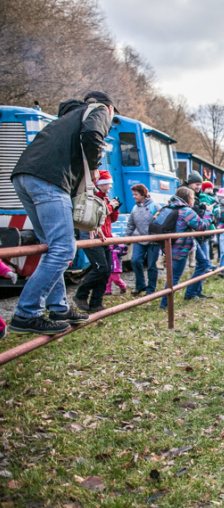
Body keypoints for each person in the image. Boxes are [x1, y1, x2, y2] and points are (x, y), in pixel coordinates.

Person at [7, 90, 116, 334]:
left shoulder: (65, 120)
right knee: (65, 248)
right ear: (109, 108)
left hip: (25, 177)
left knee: (50, 246)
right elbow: (93, 134)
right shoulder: (98, 110)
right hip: (48, 180)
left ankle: (58, 307)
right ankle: (26, 313)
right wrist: (95, 166)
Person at [73, 171, 120, 313]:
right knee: (101, 269)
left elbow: (111, 219)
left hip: (105, 238)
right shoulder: (91, 197)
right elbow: (95, 215)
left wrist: (114, 209)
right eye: (109, 183)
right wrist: (110, 207)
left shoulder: (105, 198)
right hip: (92, 237)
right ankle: (81, 295)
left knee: (106, 272)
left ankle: (96, 303)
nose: (111, 187)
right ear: (101, 183)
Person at [159, 187, 209, 309]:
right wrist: (208, 212)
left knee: (203, 263)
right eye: (192, 197)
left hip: (172, 245)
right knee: (174, 276)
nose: (193, 200)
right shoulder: (186, 211)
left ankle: (191, 293)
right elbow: (202, 226)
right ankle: (165, 304)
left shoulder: (167, 207)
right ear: (188, 198)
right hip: (180, 247)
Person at [184, 172, 216, 300]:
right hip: (194, 235)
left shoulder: (197, 196)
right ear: (190, 183)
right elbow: (195, 214)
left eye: (200, 184)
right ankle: (190, 293)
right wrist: (207, 211)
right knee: (202, 264)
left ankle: (197, 291)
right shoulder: (186, 195)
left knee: (202, 264)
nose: (198, 187)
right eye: (196, 184)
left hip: (200, 235)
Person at [126, 184, 161, 296]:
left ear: (143, 194)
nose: (133, 196)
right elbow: (131, 225)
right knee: (135, 260)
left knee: (151, 265)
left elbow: (162, 221)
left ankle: (151, 289)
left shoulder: (154, 206)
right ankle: (140, 285)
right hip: (139, 239)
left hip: (153, 241)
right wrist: (125, 238)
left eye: (136, 194)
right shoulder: (134, 209)